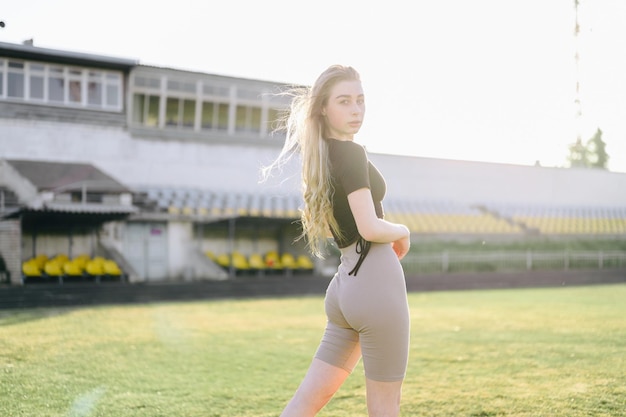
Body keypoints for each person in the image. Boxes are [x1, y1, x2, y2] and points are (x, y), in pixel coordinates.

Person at [262, 65, 411, 417]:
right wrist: (402, 231)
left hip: (345, 288)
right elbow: (370, 227)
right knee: (385, 409)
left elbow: (337, 227)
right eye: (344, 101)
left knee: (304, 404)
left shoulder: (321, 154)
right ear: (324, 109)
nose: (356, 109)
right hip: (375, 284)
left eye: (360, 100)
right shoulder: (351, 153)